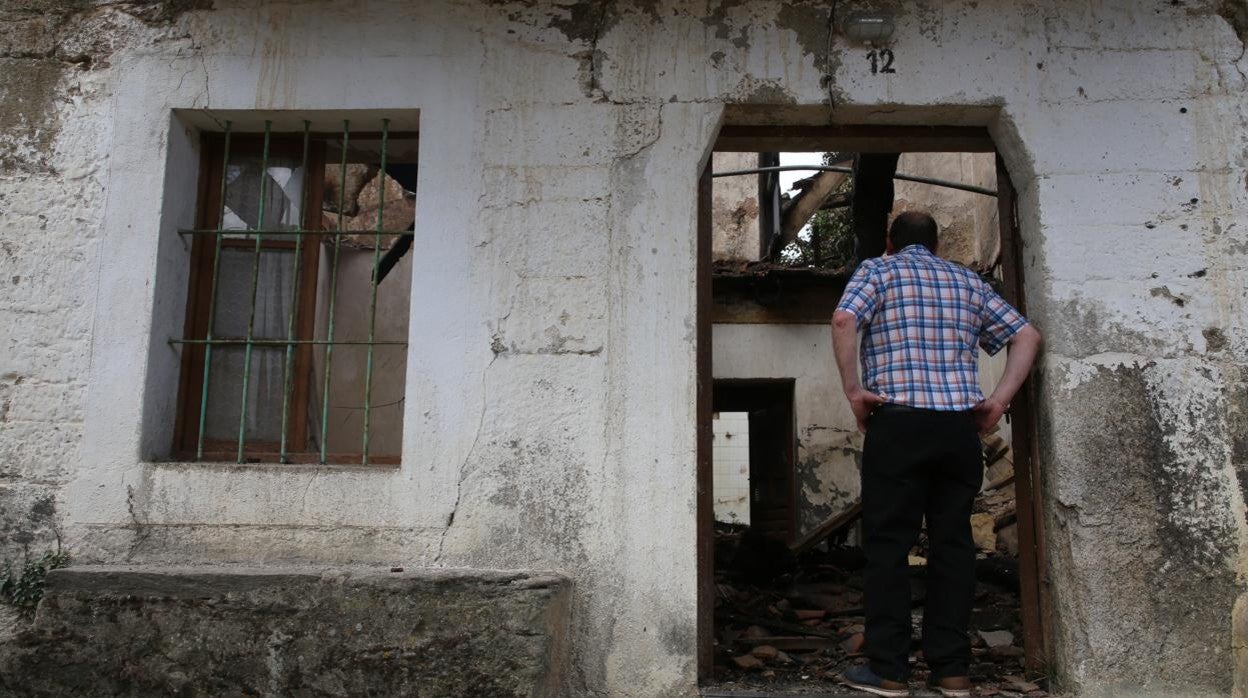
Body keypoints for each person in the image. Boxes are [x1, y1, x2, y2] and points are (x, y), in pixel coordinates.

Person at [832, 211, 1042, 697]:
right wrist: (999, 401)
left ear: (890, 241)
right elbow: (1026, 336)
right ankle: (952, 671)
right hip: (956, 429)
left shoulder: (878, 271)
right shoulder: (966, 280)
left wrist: (854, 393)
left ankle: (888, 670)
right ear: (936, 244)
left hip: (899, 421)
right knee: (954, 546)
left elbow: (845, 319)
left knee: (889, 545)